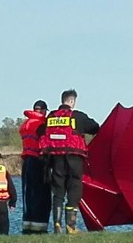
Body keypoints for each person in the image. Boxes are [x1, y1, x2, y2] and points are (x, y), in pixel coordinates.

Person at [38, 89, 99, 234]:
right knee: (74, 190)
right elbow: (95, 128)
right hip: (74, 158)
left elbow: (41, 132)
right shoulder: (77, 116)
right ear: (72, 101)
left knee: (58, 192)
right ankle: (70, 226)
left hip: (55, 159)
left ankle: (57, 224)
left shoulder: (51, 117)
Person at [19, 99, 50, 234]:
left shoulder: (26, 124)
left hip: (27, 161)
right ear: (43, 111)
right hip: (38, 160)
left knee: (28, 195)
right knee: (41, 194)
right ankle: (40, 227)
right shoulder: (42, 124)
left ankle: (27, 226)